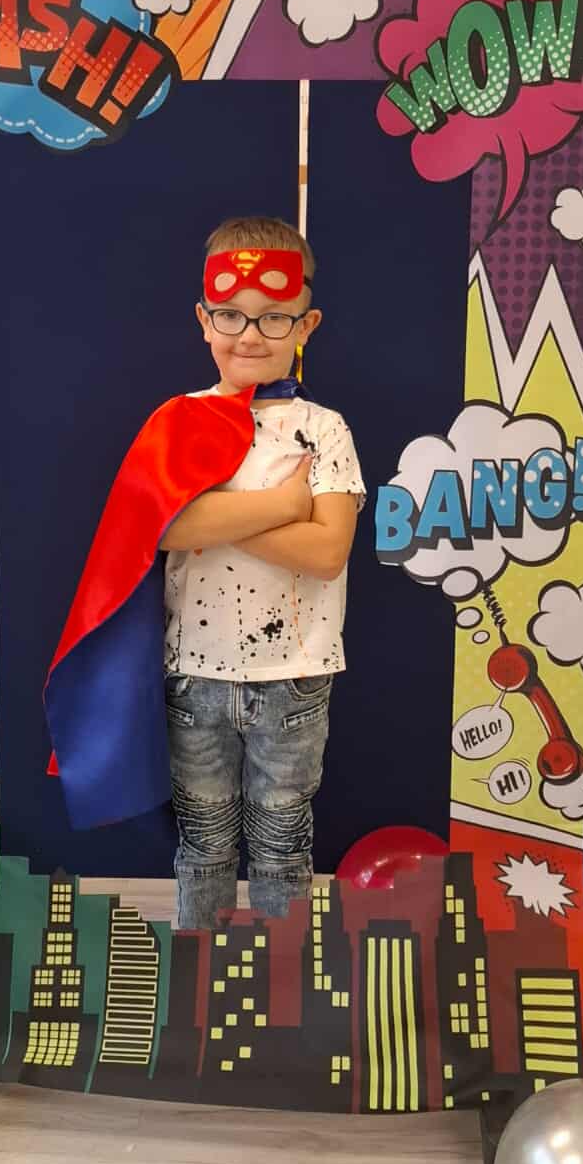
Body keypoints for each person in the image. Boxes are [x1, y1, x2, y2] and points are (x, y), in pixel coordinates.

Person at [45, 219, 363, 931]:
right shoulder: (177, 422)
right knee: (204, 847)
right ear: (203, 319)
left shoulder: (323, 429)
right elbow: (162, 531)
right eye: (230, 315)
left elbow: (327, 552)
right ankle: (203, 972)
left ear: (305, 324)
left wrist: (217, 516)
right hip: (195, 677)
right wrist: (284, 504)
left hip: (295, 677)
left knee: (283, 848)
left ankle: (282, 977)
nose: (250, 335)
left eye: (273, 317)